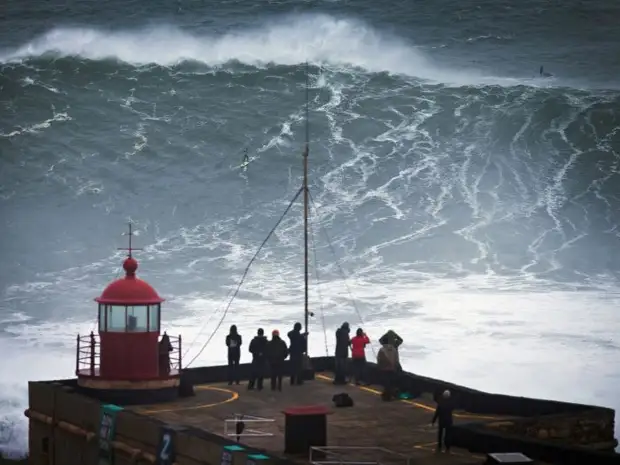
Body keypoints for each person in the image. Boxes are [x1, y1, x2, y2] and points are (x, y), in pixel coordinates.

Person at [376, 333, 399, 400]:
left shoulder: (382, 349)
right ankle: (388, 395)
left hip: (384, 368)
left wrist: (379, 366)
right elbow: (396, 359)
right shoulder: (394, 349)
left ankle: (386, 396)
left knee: (386, 382)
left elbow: (379, 359)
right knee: (390, 382)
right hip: (392, 368)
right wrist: (395, 366)